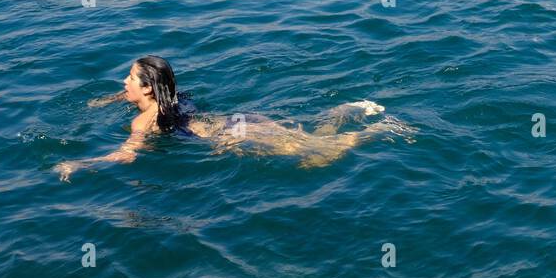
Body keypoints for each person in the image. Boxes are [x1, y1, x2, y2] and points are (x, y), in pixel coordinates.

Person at [53, 56, 404, 180]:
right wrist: (108, 99)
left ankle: (377, 131)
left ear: (147, 89)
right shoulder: (169, 98)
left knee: (315, 157)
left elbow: (126, 155)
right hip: (237, 119)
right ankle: (342, 111)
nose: (123, 83)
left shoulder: (142, 123)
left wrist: (81, 164)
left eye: (129, 79)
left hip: (229, 136)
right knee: (305, 141)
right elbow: (141, 94)